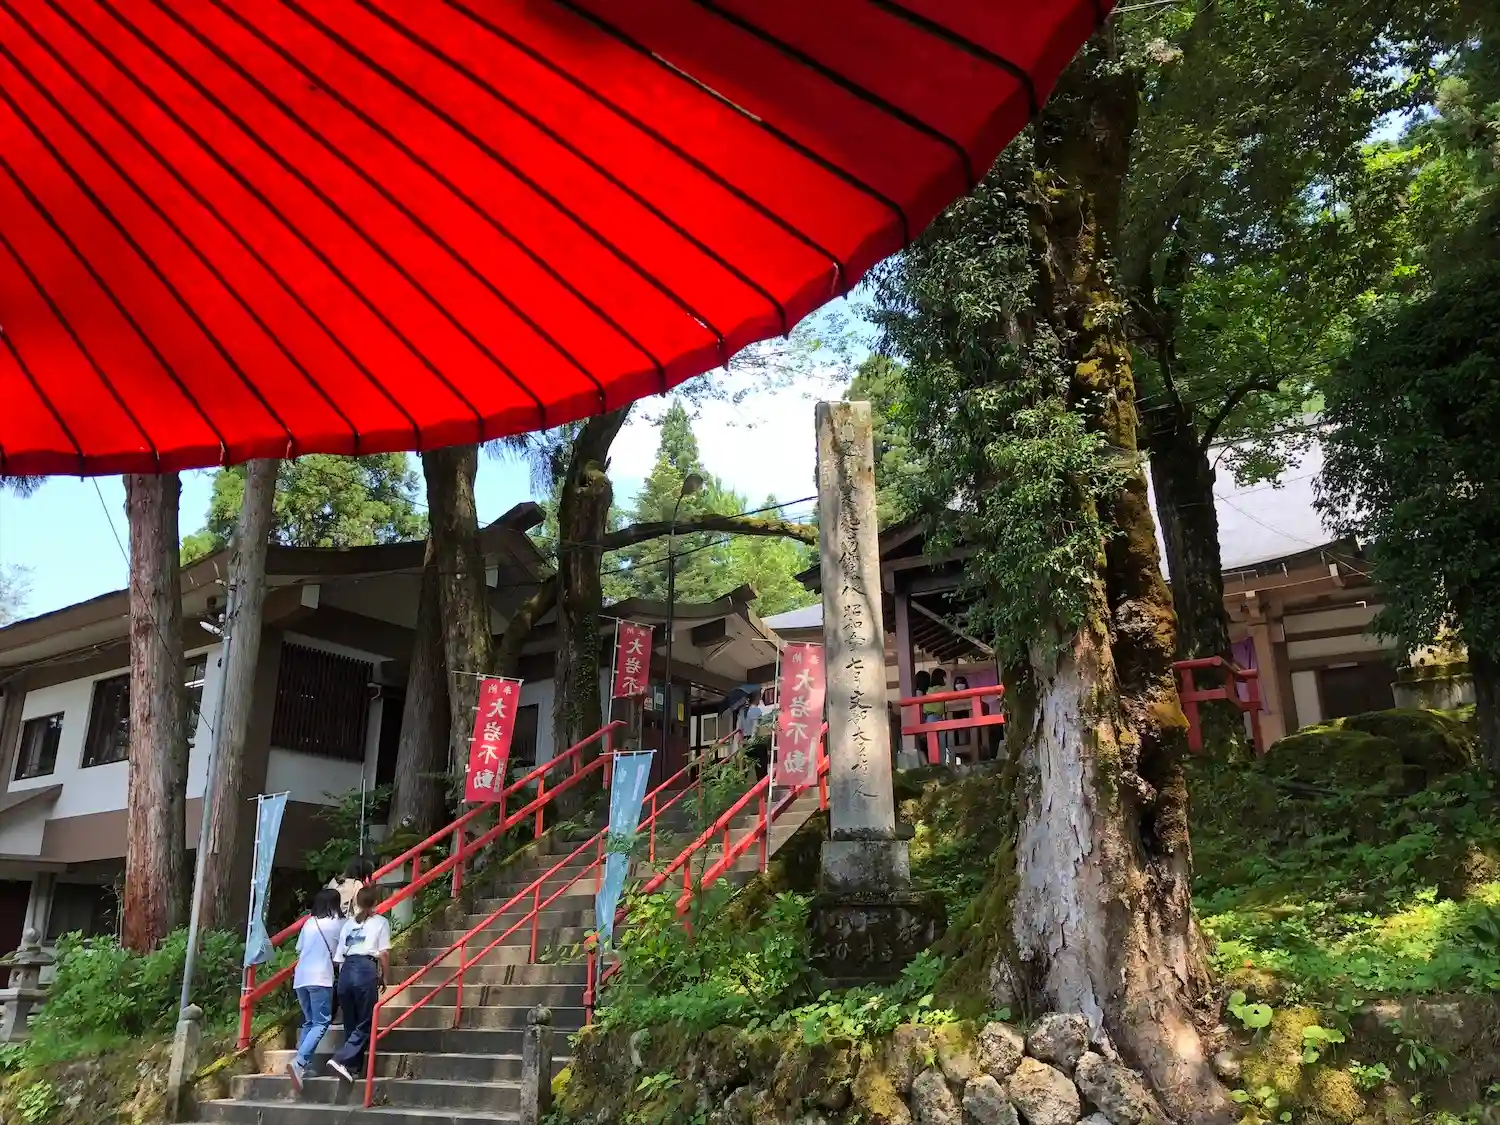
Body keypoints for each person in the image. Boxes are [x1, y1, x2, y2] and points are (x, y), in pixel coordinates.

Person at [325, 885, 391, 1084]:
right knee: (366, 1022)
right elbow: (384, 953)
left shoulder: (348, 924)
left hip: (346, 970)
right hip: (365, 969)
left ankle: (351, 1068)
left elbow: (338, 958)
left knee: (351, 1023)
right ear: (375, 902)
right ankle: (341, 1058)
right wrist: (385, 976)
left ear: (358, 902)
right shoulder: (381, 922)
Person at [286, 888, 344, 1093]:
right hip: (320, 978)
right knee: (321, 1023)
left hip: (301, 977)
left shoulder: (309, 923)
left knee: (309, 1022)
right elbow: (341, 954)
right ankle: (299, 1062)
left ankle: (303, 1065)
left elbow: (300, 949)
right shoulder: (339, 923)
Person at [923, 668, 950, 763]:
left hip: (929, 718)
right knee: (941, 744)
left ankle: (934, 764)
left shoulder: (928, 690)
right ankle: (942, 764)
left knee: (932, 744)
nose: (946, 679)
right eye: (945, 677)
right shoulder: (941, 689)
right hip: (936, 717)